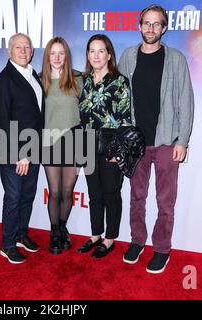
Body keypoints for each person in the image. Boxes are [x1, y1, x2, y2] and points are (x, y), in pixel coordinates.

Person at [118, 4, 194, 273]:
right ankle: (137, 241)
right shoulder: (127, 56)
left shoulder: (176, 59)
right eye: (146, 23)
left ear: (164, 28)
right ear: (139, 26)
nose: (150, 28)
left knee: (165, 201)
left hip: (166, 142)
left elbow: (186, 101)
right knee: (136, 197)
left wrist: (182, 140)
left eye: (156, 24)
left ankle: (161, 249)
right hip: (136, 143)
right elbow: (119, 99)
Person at [78, 34, 131, 258]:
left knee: (111, 193)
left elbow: (126, 119)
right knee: (94, 193)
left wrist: (118, 151)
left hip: (111, 144)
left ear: (109, 55)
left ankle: (109, 239)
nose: (96, 55)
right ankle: (95, 234)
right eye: (92, 51)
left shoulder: (119, 82)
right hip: (88, 143)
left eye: (101, 51)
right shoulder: (86, 81)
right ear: (88, 55)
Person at [0, 33, 44, 264]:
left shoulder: (32, 73)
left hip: (34, 150)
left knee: (27, 196)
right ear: (9, 50)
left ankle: (21, 234)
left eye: (27, 46)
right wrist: (19, 154)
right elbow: (4, 121)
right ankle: (7, 244)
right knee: (13, 197)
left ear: (32, 51)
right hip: (15, 153)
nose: (23, 50)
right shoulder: (4, 79)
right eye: (18, 47)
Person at [40, 37, 82, 254]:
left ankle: (62, 228)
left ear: (67, 55)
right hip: (49, 142)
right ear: (47, 56)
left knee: (68, 190)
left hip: (74, 141)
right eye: (52, 53)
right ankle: (54, 232)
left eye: (61, 53)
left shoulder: (78, 79)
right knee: (54, 191)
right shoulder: (40, 81)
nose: (57, 57)